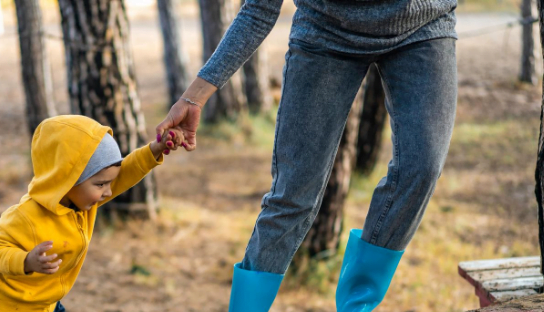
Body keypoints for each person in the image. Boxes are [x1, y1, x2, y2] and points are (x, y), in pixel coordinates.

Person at [155, 0, 458, 311]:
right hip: (326, 30)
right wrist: (194, 98)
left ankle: (357, 306)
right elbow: (259, 9)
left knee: (421, 169)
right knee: (293, 195)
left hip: (423, 25)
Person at [0, 115, 184, 312]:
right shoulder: (27, 215)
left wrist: (155, 148)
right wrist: (26, 261)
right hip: (4, 304)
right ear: (67, 180)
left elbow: (125, 174)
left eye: (109, 182)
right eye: (101, 184)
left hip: (44, 302)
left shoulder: (83, 202)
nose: (109, 191)